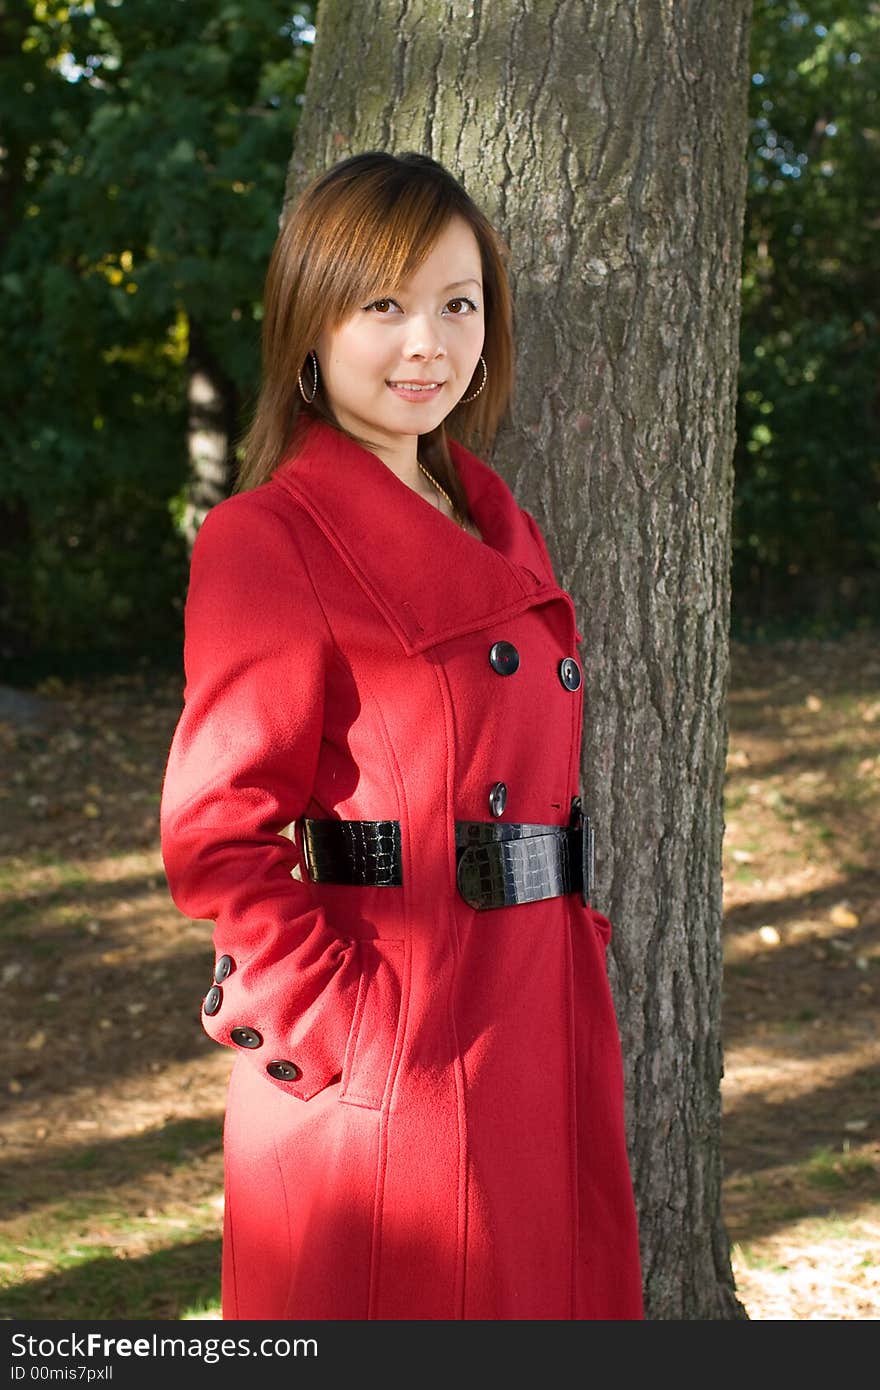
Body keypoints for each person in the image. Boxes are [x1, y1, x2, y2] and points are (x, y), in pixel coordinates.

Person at [159, 150, 643, 1321]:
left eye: (458, 303)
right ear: (311, 320)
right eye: (384, 303)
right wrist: (345, 1037)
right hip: (393, 1070)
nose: (426, 341)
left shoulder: (493, 517)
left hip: (532, 1023)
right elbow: (218, 835)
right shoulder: (266, 537)